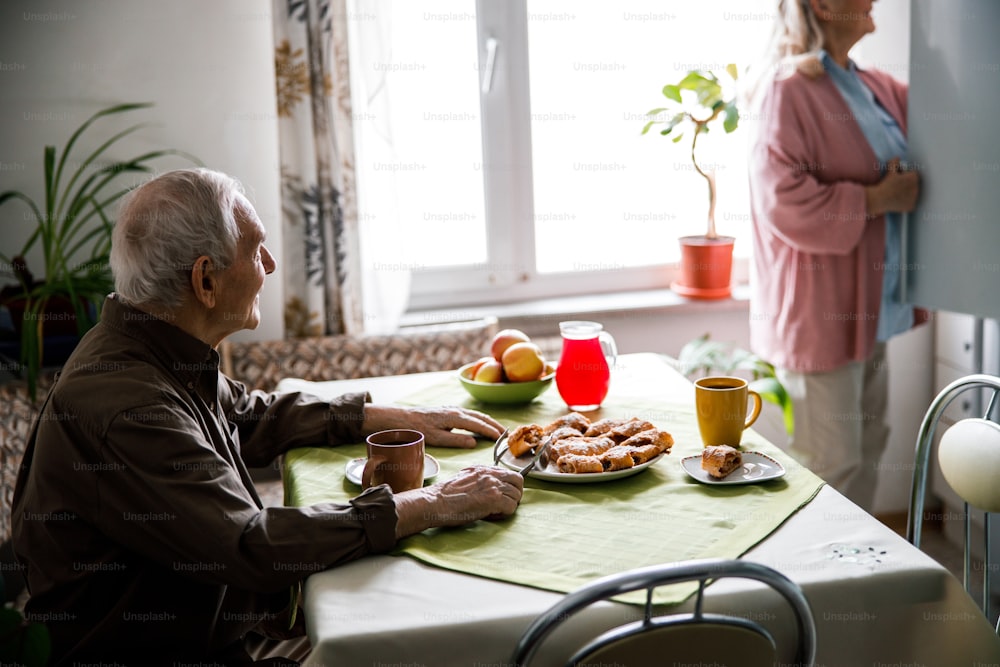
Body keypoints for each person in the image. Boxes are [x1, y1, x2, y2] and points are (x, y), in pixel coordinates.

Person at [11, 168, 524, 665]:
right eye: (256, 249)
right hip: (185, 653)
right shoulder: (130, 407)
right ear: (206, 280)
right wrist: (433, 501)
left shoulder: (148, 344)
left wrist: (393, 417)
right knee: (447, 642)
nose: (271, 265)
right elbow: (251, 545)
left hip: (217, 632)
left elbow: (247, 416)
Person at [745, 0, 921, 511]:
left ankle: (855, 576)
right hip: (820, 311)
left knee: (869, 449)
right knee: (833, 461)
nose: (873, 1)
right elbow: (782, 199)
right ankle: (812, 585)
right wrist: (876, 198)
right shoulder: (787, 90)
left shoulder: (875, 87)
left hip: (874, 305)